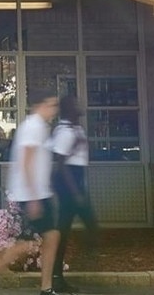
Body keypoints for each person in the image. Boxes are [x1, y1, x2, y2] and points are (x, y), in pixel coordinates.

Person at [0, 90, 60, 295]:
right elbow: (25, 162)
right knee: (51, 236)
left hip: (39, 192)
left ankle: (46, 286)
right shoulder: (33, 127)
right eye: (51, 105)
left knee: (51, 236)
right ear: (39, 106)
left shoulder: (41, 127)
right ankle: (11, 256)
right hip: (32, 194)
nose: (54, 110)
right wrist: (34, 197)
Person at [50, 95, 99, 293]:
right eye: (76, 103)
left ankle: (59, 273)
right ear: (68, 109)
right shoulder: (64, 131)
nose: (81, 105)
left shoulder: (76, 128)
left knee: (75, 227)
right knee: (67, 229)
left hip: (77, 178)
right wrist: (76, 192)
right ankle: (56, 276)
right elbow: (61, 164)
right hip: (69, 181)